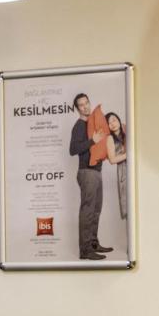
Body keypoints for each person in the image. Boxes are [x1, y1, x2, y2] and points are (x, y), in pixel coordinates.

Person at [67, 92, 112, 260]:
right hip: (86, 172)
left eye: (87, 103)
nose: (85, 107)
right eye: (81, 105)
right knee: (87, 211)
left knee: (96, 210)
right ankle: (85, 250)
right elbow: (72, 150)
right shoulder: (79, 126)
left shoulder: (91, 124)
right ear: (77, 108)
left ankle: (93, 243)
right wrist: (92, 140)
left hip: (96, 171)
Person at [105, 112, 129, 220]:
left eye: (114, 120)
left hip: (134, 167)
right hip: (123, 170)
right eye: (109, 123)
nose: (113, 124)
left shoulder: (128, 131)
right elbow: (112, 159)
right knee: (128, 204)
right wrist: (128, 155)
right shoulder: (110, 138)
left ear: (119, 120)